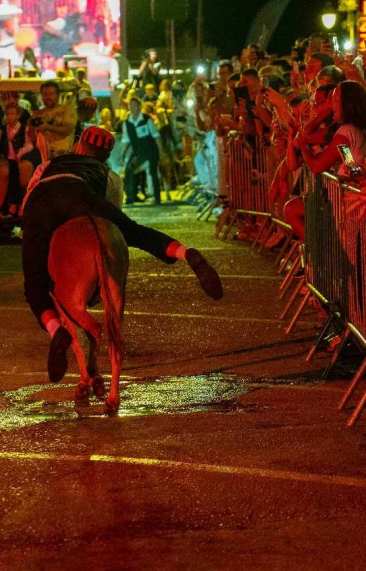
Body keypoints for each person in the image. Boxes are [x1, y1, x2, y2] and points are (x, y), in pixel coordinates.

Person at [20, 126, 223, 381]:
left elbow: (28, 199)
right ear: (105, 156)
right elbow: (112, 228)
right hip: (80, 195)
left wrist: (28, 230)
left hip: (43, 200)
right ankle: (187, 253)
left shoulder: (52, 163)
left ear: (80, 146)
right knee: (135, 231)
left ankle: (55, 330)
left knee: (34, 283)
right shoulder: (109, 175)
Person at [31, 80, 77, 158]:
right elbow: (31, 136)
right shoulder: (37, 113)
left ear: (58, 95)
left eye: (51, 94)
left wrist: (48, 127)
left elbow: (68, 129)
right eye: (45, 94)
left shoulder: (67, 109)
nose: (48, 97)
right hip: (40, 152)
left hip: (62, 152)